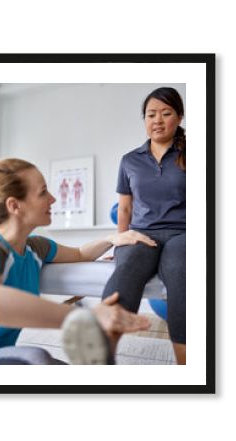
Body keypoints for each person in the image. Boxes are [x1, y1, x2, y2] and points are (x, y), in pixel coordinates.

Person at [0, 158, 154, 365]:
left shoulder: (35, 248)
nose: (53, 199)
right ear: (15, 205)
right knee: (36, 357)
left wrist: (112, 239)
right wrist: (84, 318)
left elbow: (80, 254)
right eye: (43, 192)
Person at [102, 87, 186, 364]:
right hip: (142, 233)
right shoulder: (130, 160)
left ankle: (188, 366)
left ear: (179, 117)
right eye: (151, 114)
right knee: (126, 268)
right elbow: (124, 208)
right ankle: (99, 352)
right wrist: (120, 239)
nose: (158, 120)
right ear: (144, 120)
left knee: (180, 271)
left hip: (183, 234)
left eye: (166, 113)